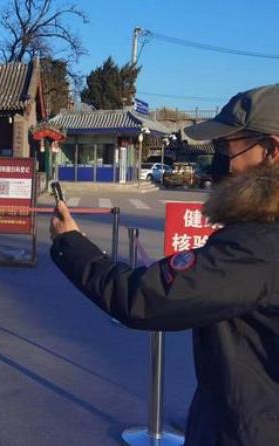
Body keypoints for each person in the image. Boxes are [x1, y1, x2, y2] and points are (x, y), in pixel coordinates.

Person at [50, 84, 279, 445]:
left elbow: (145, 297)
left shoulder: (258, 246)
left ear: (270, 151)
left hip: (246, 428)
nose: (220, 160)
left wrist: (70, 244)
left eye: (226, 147)